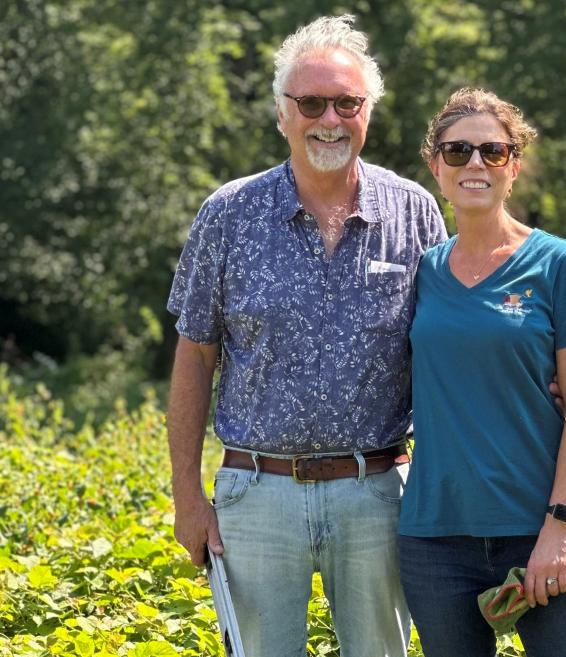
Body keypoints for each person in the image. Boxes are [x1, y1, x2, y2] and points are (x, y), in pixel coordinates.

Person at [165, 15, 446, 657]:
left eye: (346, 102)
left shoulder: (415, 212)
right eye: (311, 103)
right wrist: (187, 495)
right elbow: (194, 355)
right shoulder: (228, 214)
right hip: (256, 493)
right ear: (282, 114)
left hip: (377, 490)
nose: (330, 119)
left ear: (367, 110)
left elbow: (447, 345)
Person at [397, 88, 566, 656]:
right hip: (435, 537)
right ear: (436, 165)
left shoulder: (559, 263)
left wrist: (559, 528)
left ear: (514, 166)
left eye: (492, 151)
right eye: (458, 151)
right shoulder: (421, 273)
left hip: (538, 526)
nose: (474, 164)